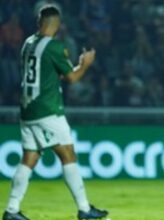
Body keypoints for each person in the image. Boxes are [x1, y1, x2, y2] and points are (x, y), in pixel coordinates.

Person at [2, 5, 108, 220]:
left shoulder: (28, 44)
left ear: (39, 22)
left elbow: (45, 75)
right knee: (68, 155)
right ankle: (84, 209)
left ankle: (11, 210)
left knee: (29, 157)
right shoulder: (54, 47)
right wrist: (84, 64)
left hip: (27, 110)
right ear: (57, 24)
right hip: (48, 111)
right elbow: (72, 78)